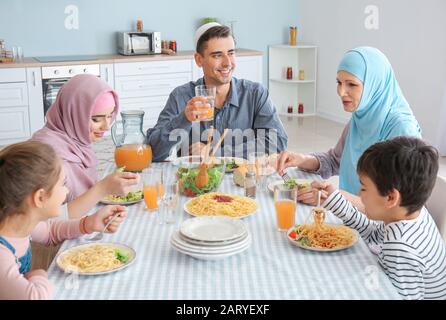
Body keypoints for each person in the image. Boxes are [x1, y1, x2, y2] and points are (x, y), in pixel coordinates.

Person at [277, 47, 421, 210]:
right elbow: (334, 160)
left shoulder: (402, 128)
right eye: (339, 82)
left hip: (380, 227)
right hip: (350, 215)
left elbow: (395, 206)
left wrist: (334, 198)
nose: (341, 92)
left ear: (375, 84)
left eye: (351, 84)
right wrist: (301, 159)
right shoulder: (361, 116)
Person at [313, 137, 446, 300]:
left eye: (363, 188)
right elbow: (373, 233)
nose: (359, 194)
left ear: (390, 198)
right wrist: (333, 199)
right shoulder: (412, 214)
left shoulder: (400, 249)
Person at [0, 141, 128, 300]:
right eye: (63, 185)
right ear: (40, 197)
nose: (66, 191)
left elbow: (51, 232)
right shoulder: (2, 253)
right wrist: (39, 274)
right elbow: (35, 296)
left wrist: (88, 223)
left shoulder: (18, 221)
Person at [146, 23, 288, 161]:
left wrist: (214, 152)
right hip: (194, 184)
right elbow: (154, 152)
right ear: (199, 59)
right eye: (217, 55)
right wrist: (184, 118)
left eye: (231, 53)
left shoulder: (256, 94)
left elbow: (277, 142)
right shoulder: (180, 97)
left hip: (244, 181)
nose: (227, 63)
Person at [32, 74, 139, 217]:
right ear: (74, 114)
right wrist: (102, 188)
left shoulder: (76, 140)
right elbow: (48, 222)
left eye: (109, 116)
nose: (106, 127)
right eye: (96, 119)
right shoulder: (47, 157)